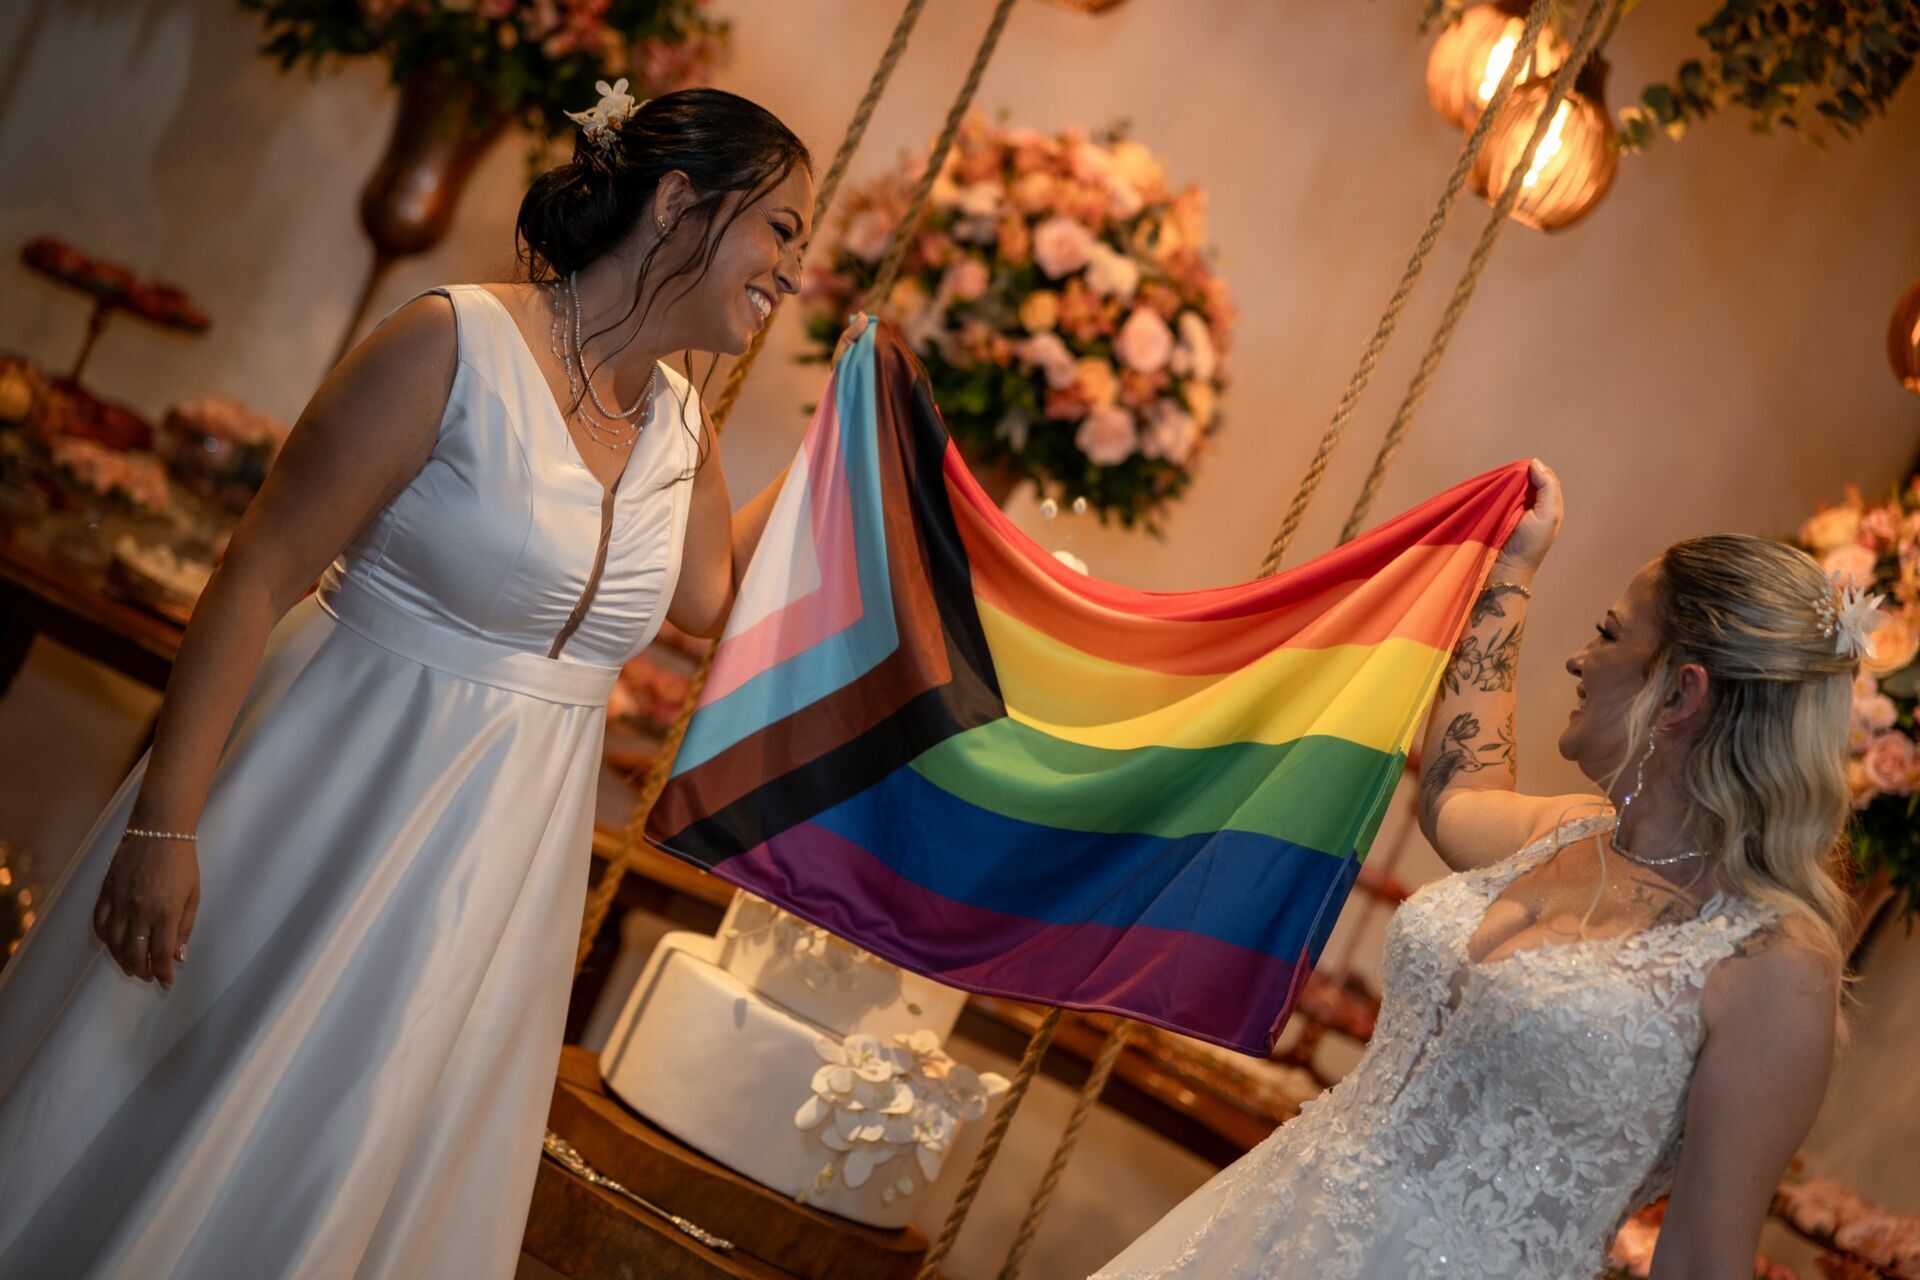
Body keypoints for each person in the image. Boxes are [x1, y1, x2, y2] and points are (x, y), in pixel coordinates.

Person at [0, 86, 858, 1277]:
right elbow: (256, 572)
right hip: (320, 799)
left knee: (353, 1148)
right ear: (677, 203)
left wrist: (841, 438)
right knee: (186, 1101)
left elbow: (711, 598)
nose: (795, 271)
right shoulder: (451, 340)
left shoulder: (682, 425)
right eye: (783, 230)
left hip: (498, 867)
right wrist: (164, 819)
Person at [1094, 459, 1862, 1279]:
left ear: (1680, 695)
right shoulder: (1570, 833)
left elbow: (1703, 1262)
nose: (1578, 659)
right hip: (1280, 1219)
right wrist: (1512, 570)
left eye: (1606, 635)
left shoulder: (1775, 968)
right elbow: (1459, 790)